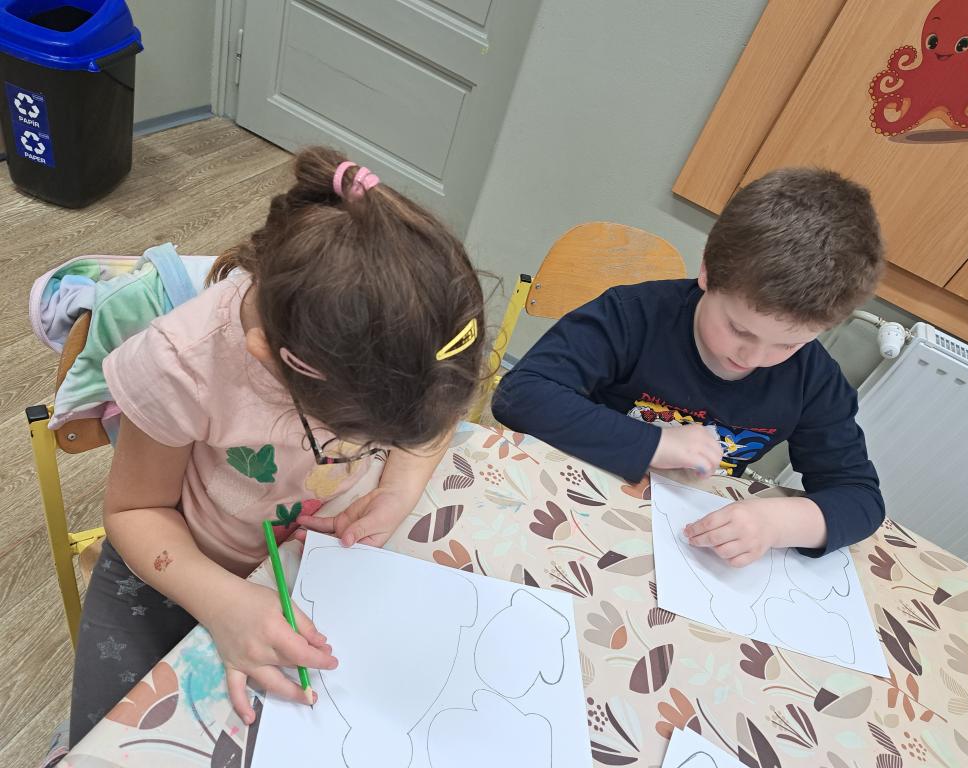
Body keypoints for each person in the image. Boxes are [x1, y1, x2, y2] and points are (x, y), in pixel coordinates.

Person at [68, 148, 485, 746]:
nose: (376, 447)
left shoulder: (419, 346)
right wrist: (226, 603)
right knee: (105, 737)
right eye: (362, 437)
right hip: (175, 562)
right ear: (268, 359)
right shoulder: (183, 364)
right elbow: (135, 511)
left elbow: (435, 419)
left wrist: (398, 486)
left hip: (307, 564)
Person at [493, 168, 885, 567]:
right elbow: (520, 395)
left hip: (681, 538)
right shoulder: (634, 316)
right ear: (708, 272)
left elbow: (860, 498)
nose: (752, 358)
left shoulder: (814, 381)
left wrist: (776, 523)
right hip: (576, 496)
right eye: (739, 329)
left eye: (787, 344)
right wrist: (655, 443)